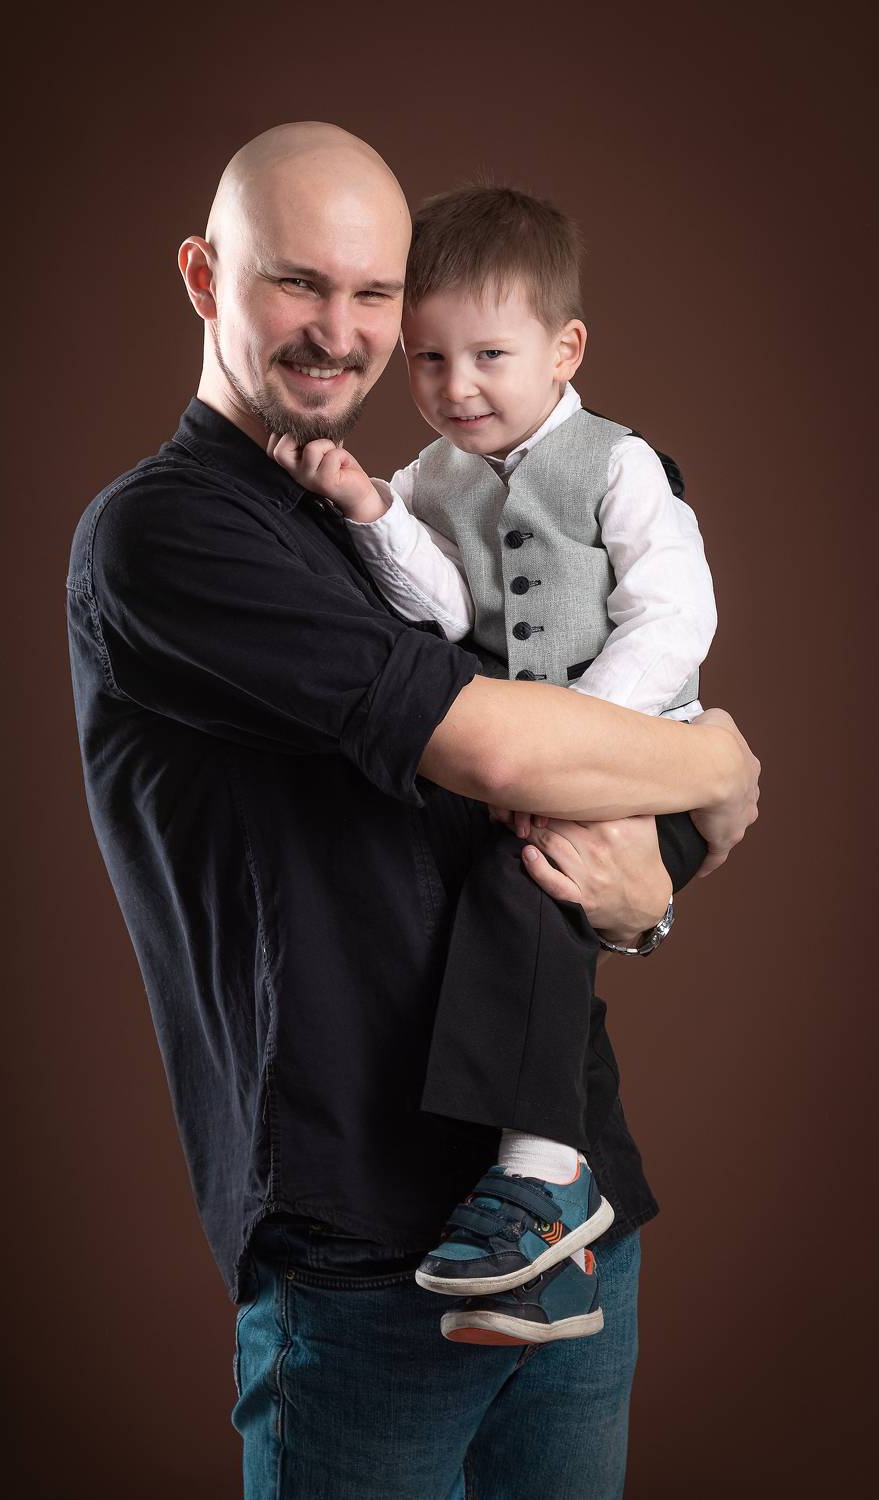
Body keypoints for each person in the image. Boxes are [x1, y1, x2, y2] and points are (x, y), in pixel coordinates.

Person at [66, 122, 759, 1499]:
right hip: (368, 1256)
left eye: (373, 292)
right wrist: (720, 768)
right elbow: (499, 754)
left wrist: (646, 906)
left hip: (572, 1215)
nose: (342, 332)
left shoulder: (380, 515)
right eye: (297, 283)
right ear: (204, 277)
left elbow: (516, 835)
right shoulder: (166, 534)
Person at [269, 184, 718, 1348]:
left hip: (643, 765)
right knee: (509, 908)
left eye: (489, 357)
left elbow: (674, 616)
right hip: (523, 782)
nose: (455, 386)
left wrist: (580, 744)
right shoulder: (435, 475)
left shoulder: (618, 466)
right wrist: (371, 508)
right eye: (428, 359)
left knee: (523, 896)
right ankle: (550, 1258)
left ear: (566, 351)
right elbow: (439, 603)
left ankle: (542, 1176)